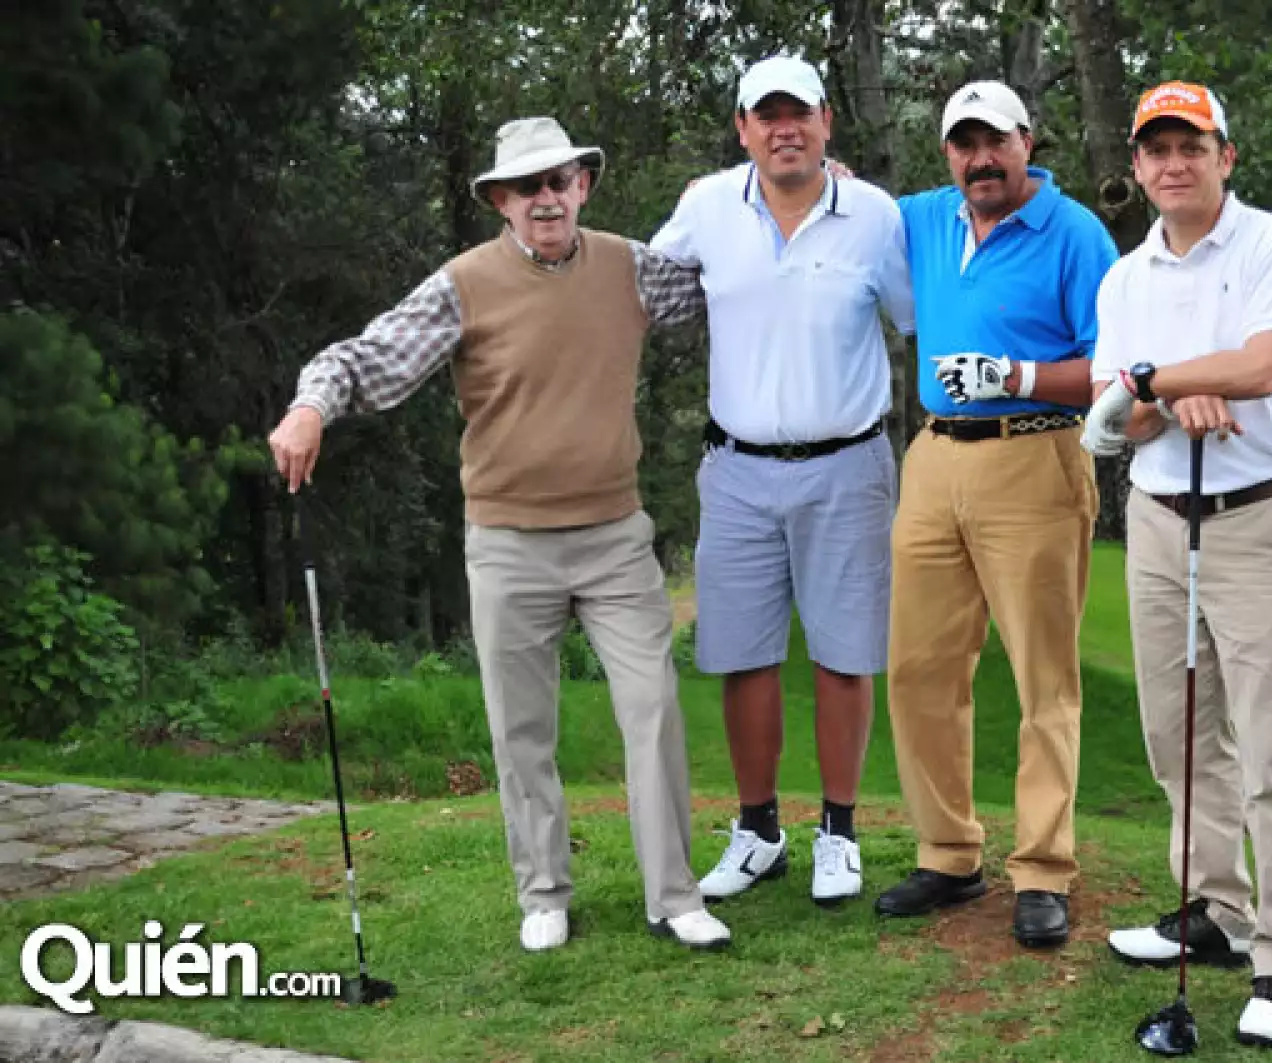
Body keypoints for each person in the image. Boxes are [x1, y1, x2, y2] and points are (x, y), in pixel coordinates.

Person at [267, 116, 732, 954]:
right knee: (522, 729)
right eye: (526, 187)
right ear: (500, 201)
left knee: (653, 706)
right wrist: (310, 406)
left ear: (583, 186)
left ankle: (673, 894)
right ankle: (544, 892)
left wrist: (756, 194)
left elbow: (730, 280)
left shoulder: (629, 268)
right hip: (509, 542)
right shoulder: (464, 284)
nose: (545, 198)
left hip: (616, 538)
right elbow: (369, 359)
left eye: (558, 181)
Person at [1080, 81, 1272, 1049]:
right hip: (1155, 519)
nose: (1174, 163)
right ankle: (1216, 909)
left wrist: (1155, 378)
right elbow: (1111, 423)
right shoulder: (1124, 278)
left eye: (1193, 146)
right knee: (1177, 733)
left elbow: (1261, 367)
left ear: (1226, 156)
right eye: (1158, 149)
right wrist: (1168, 394)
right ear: (1138, 167)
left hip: (1258, 517)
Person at [648, 55, 915, 906]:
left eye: (798, 112)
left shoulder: (874, 215)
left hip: (849, 464)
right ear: (743, 130)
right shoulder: (706, 207)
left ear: (826, 121)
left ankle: (839, 829)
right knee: (743, 654)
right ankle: (758, 830)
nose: (784, 129)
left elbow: (914, 315)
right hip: (737, 468)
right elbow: (644, 292)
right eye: (766, 115)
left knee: (845, 654)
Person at [872, 81, 1118, 950]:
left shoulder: (1075, 233)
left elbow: (1112, 369)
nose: (981, 159)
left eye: (995, 141)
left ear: (1026, 142)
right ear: (947, 153)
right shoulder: (923, 218)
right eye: (964, 144)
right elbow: (829, 198)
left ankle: (1043, 867)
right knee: (919, 668)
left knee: (1042, 676)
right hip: (936, 454)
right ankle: (948, 853)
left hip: (1035, 452)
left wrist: (1017, 375)